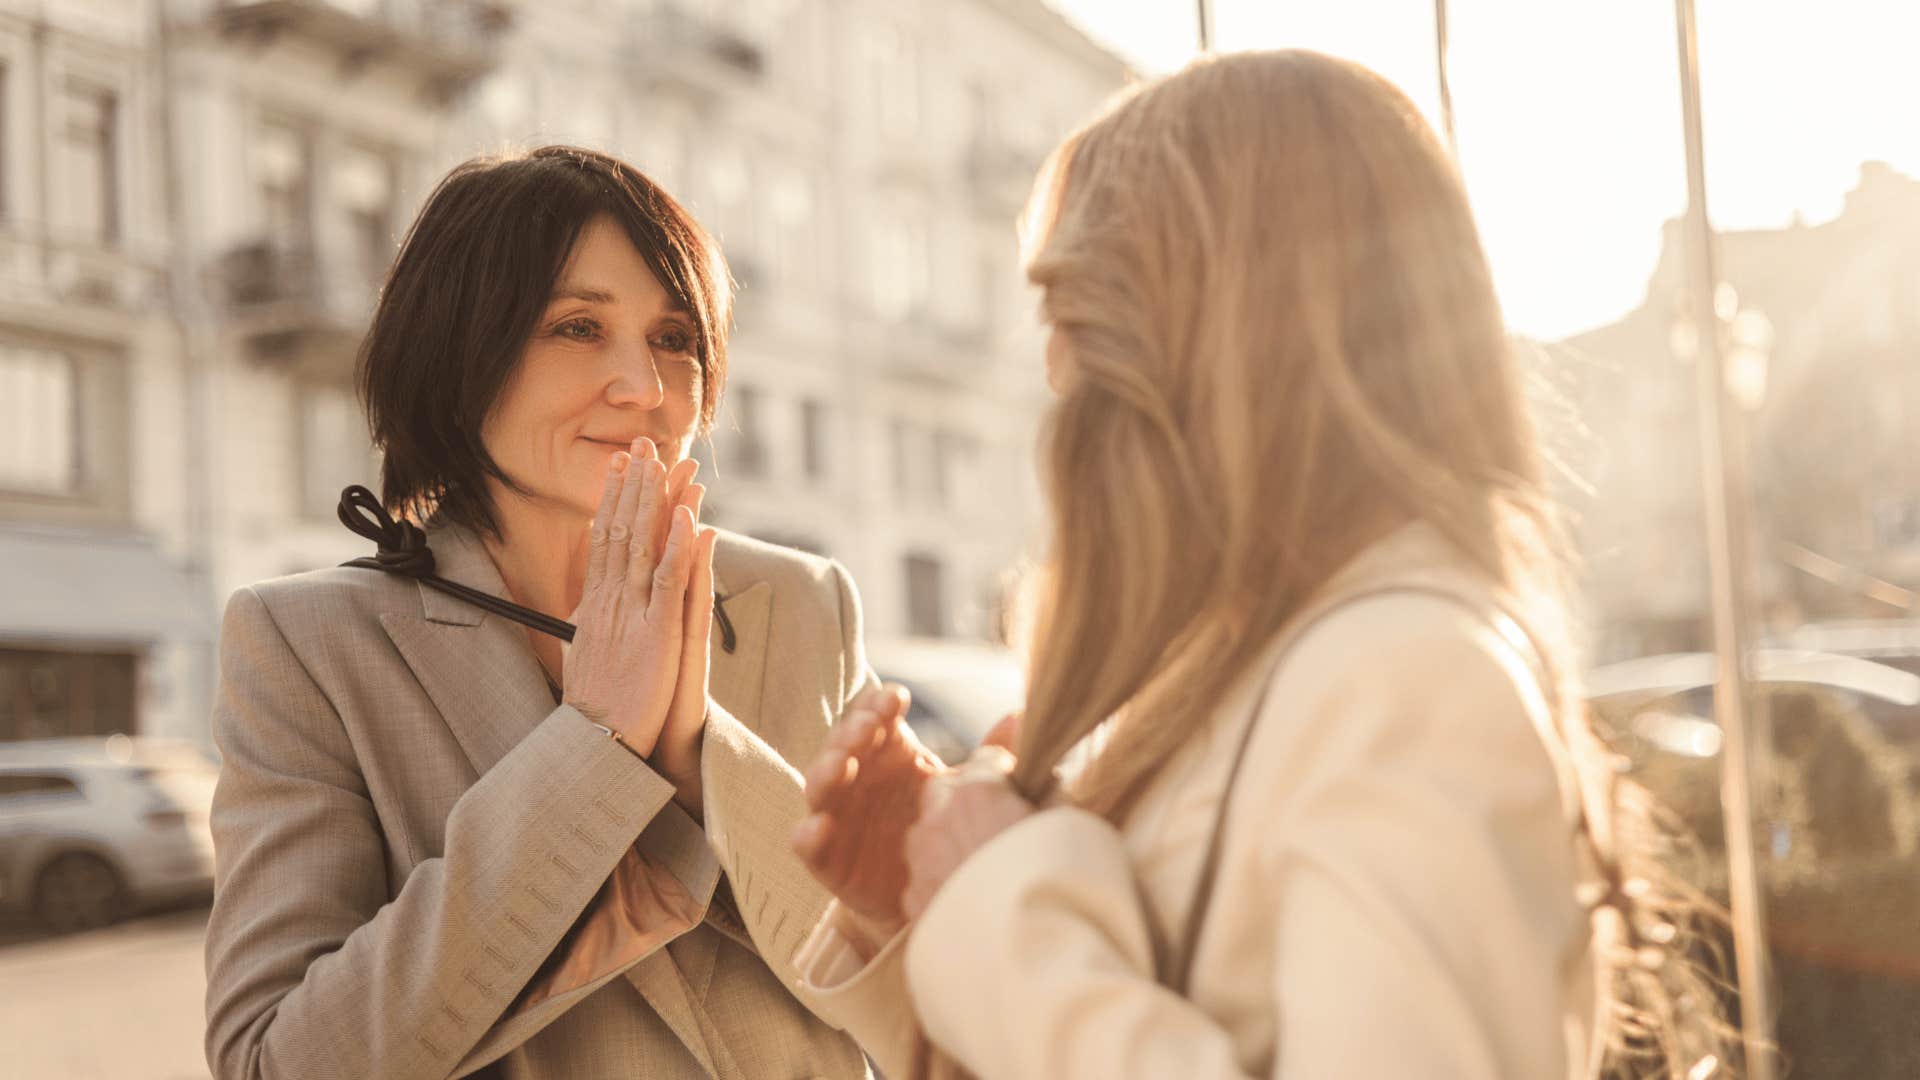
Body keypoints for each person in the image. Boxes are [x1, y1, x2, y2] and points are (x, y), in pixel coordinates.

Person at [787, 51, 1733, 1080]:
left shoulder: (1407, 674)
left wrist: (1003, 908)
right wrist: (929, 908)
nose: (1056, 377)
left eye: (1074, 317)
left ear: (1209, 336)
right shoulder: (1264, 671)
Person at [203, 146, 883, 1079]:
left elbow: (923, 982)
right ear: (458, 355)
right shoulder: (309, 646)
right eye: (575, 327)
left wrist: (699, 755)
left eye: (675, 338)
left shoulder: (804, 604)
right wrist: (593, 751)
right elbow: (276, 1063)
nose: (643, 387)